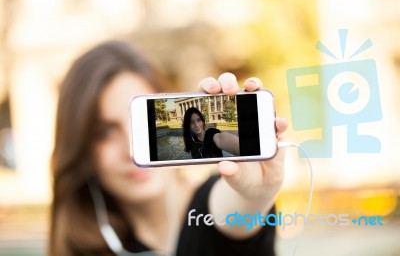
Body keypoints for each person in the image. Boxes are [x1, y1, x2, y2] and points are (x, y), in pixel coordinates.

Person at [50, 40, 288, 256]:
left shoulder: (213, 203)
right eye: (105, 132)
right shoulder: (89, 245)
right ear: (79, 147)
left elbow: (234, 212)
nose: (129, 149)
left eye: (139, 121)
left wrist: (256, 197)